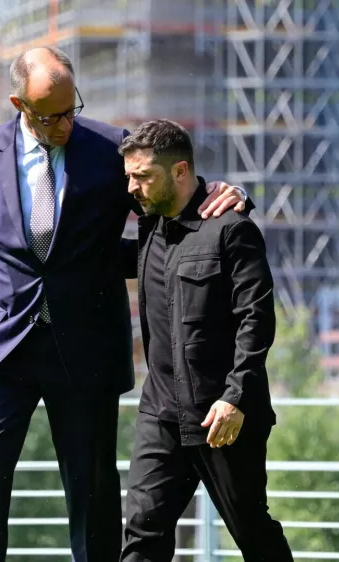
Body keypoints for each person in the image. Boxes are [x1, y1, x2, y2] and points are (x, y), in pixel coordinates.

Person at [0, 46, 250, 562]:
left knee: (94, 489)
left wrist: (229, 195)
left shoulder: (108, 148)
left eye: (70, 109)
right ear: (19, 104)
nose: (63, 124)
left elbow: (170, 205)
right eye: (49, 115)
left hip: (84, 348)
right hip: (0, 346)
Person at [118, 119, 293, 562]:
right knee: (142, 530)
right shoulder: (149, 230)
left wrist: (236, 399)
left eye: (143, 177)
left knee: (251, 529)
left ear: (179, 171)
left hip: (222, 416)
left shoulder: (232, 229)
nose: (133, 188)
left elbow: (257, 319)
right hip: (160, 413)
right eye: (129, 176)